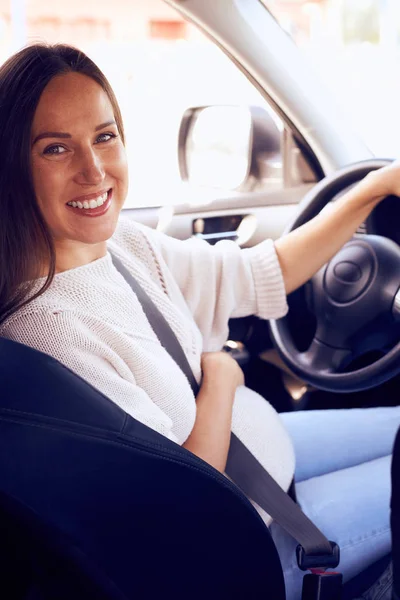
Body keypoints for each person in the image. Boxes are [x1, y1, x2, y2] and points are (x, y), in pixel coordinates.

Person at [0, 43, 398, 600]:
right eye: (55, 148)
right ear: (11, 165)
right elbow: (188, 496)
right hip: (251, 542)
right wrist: (224, 378)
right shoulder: (48, 331)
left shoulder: (124, 245)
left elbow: (266, 270)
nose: (93, 170)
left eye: (105, 136)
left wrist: (377, 187)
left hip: (261, 454)